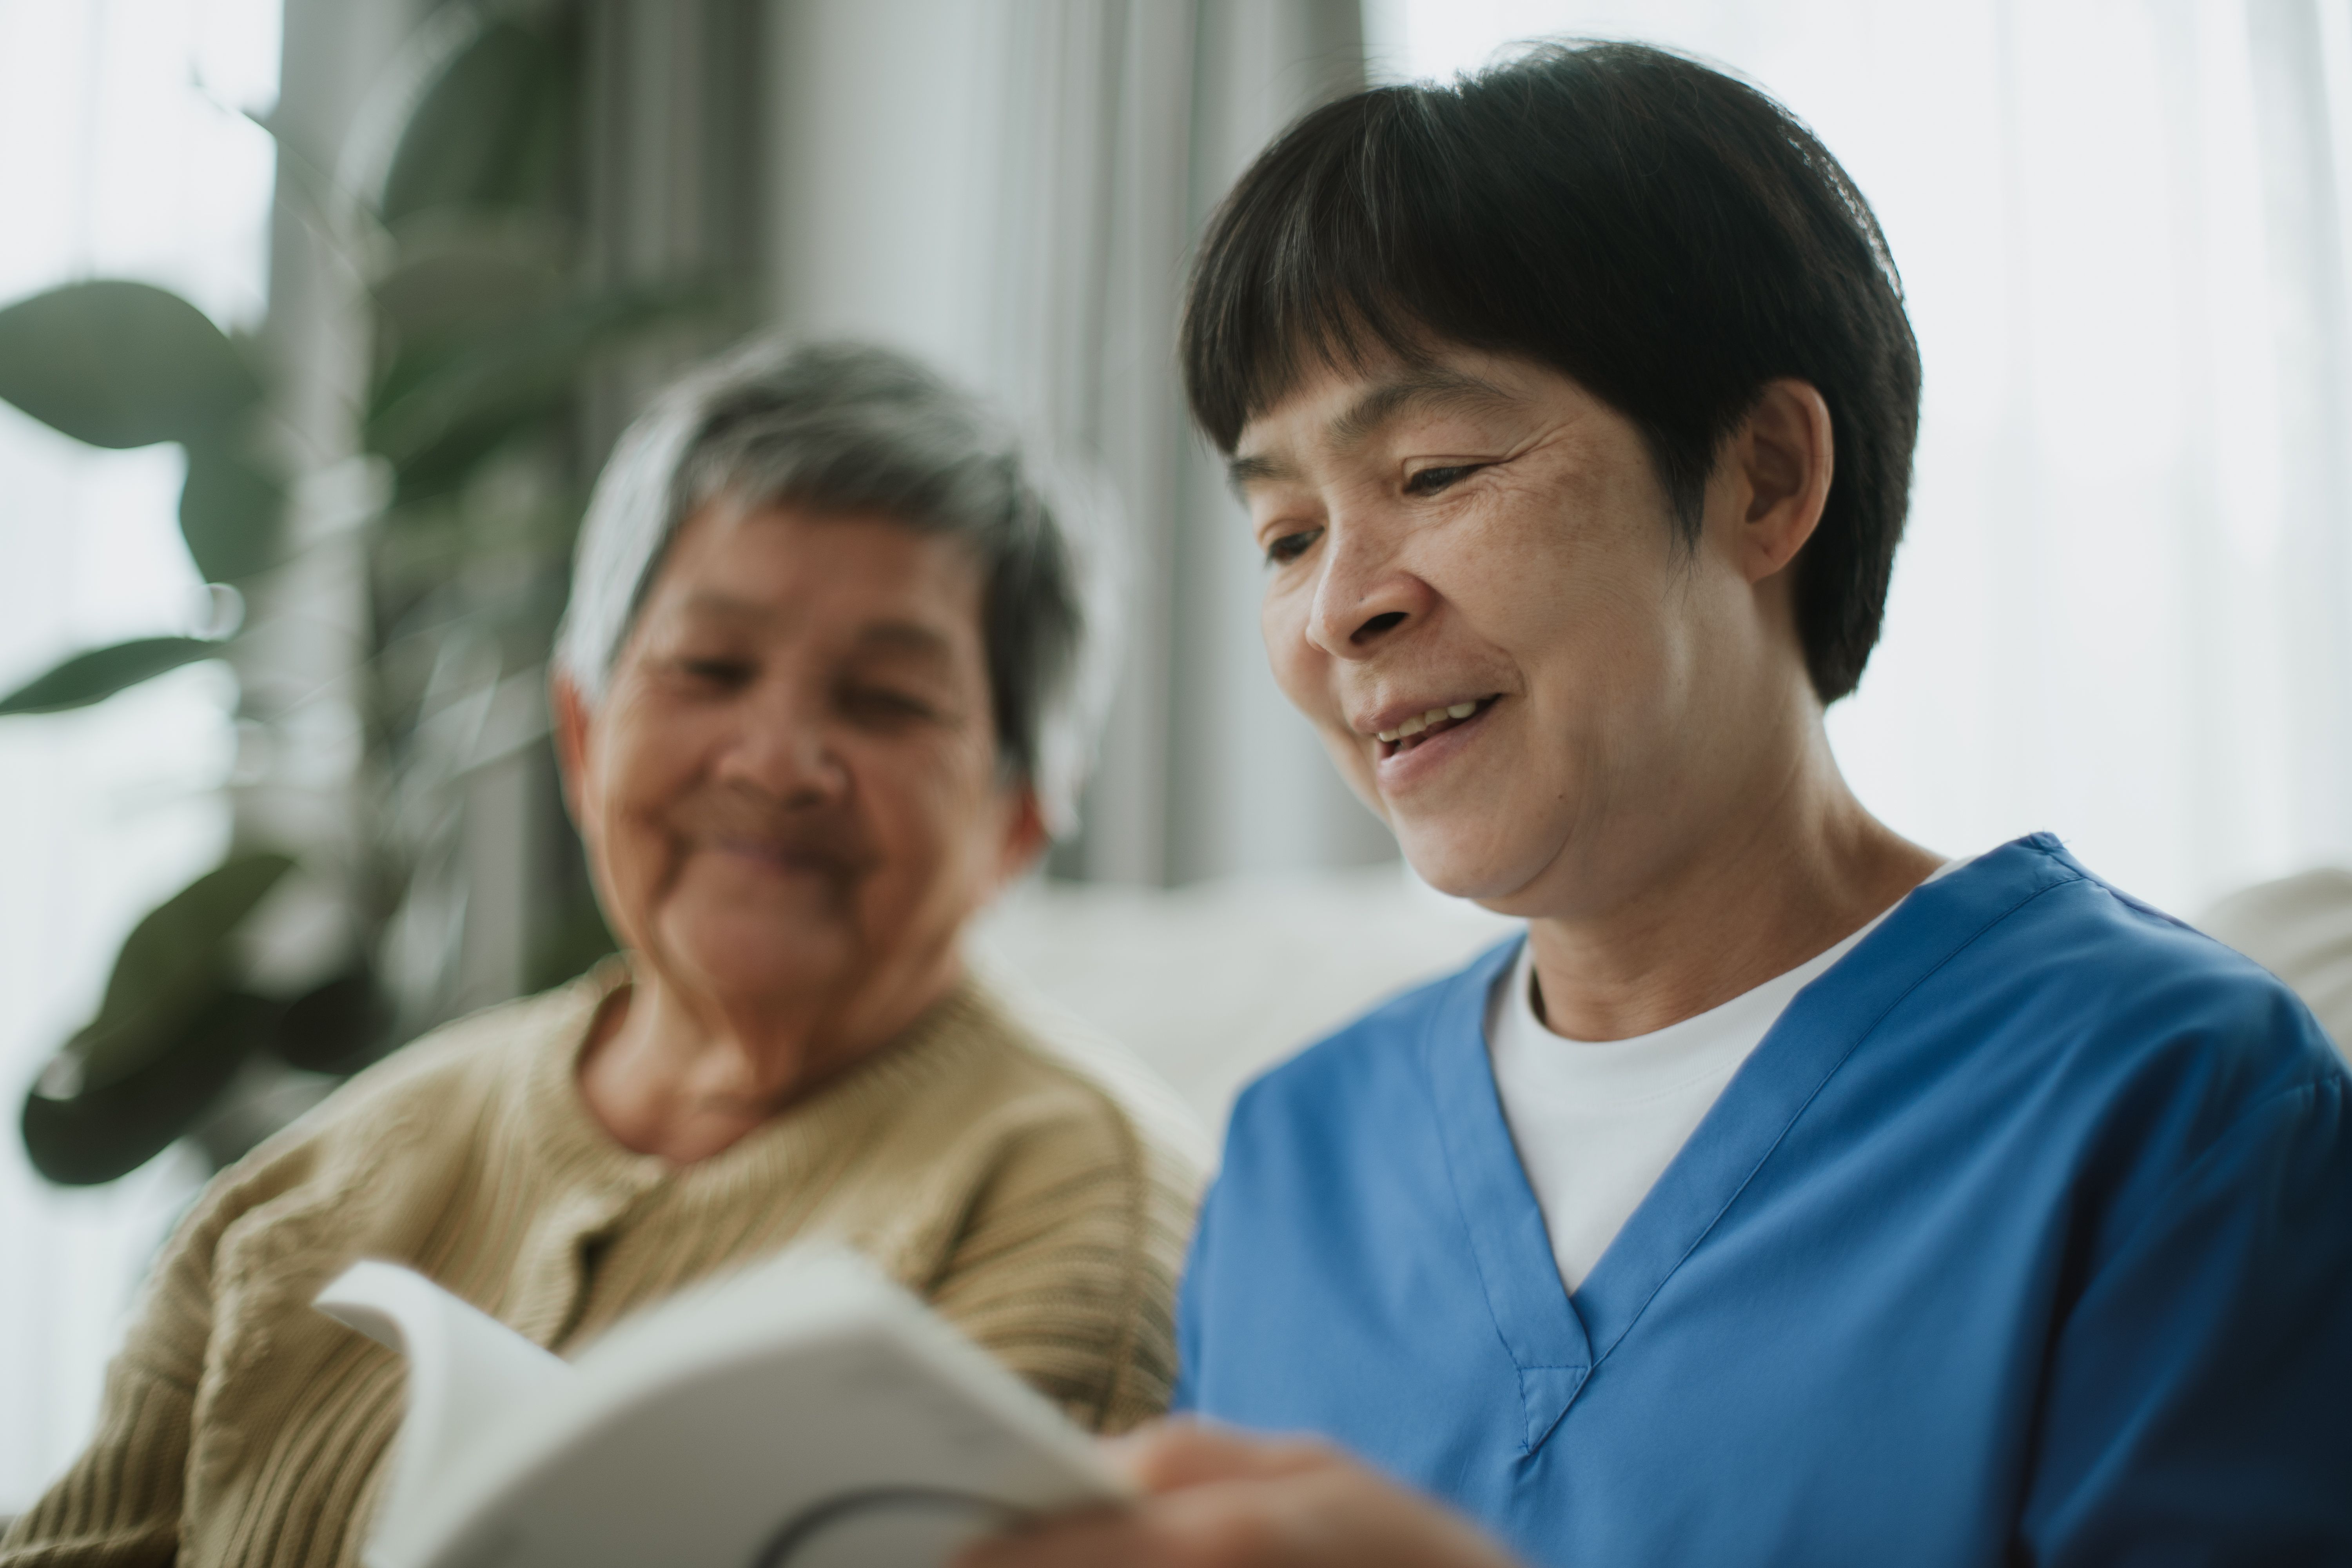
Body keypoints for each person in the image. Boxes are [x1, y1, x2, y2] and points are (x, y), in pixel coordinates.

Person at [963, 41, 2352, 1568]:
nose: (1341, 605)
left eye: (1433, 469)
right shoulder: (1297, 1157)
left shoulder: (2171, 1097)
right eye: (1286, 533)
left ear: (1764, 479)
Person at [2, 339, 1202, 1568]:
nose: (775, 761)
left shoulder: (1092, 1215)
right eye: (710, 669)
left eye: (887, 700)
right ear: (584, 733)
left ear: (1021, 814)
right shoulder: (307, 1191)